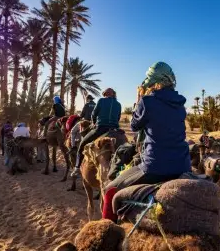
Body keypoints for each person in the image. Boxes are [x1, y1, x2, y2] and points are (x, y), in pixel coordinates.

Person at [102, 61, 191, 221]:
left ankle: (107, 230)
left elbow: (134, 126)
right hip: (183, 165)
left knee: (109, 191)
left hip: (154, 166)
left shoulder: (147, 101)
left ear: (153, 81)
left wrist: (139, 100)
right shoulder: (180, 105)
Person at [73, 88, 122, 174]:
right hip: (115, 130)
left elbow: (94, 114)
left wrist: (94, 123)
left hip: (101, 128)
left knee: (82, 144)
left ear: (105, 94)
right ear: (113, 94)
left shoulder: (101, 100)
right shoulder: (118, 104)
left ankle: (77, 167)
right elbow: (118, 118)